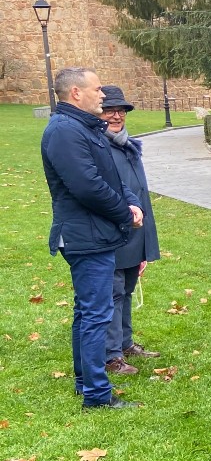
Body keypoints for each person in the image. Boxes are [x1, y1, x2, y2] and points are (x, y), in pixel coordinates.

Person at [42, 67, 144, 409]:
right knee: (96, 314)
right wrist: (124, 213)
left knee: (87, 312)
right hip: (85, 236)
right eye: (97, 89)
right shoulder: (64, 131)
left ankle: (85, 383)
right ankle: (97, 394)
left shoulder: (84, 127)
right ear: (76, 92)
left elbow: (110, 175)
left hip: (94, 233)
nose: (103, 95)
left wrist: (130, 200)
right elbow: (88, 187)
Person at [99, 86, 161, 377]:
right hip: (113, 230)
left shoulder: (128, 145)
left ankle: (124, 344)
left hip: (135, 230)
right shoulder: (98, 147)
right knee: (113, 293)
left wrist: (145, 240)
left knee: (126, 289)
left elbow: (139, 192)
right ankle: (111, 355)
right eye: (109, 110)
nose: (116, 116)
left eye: (121, 111)